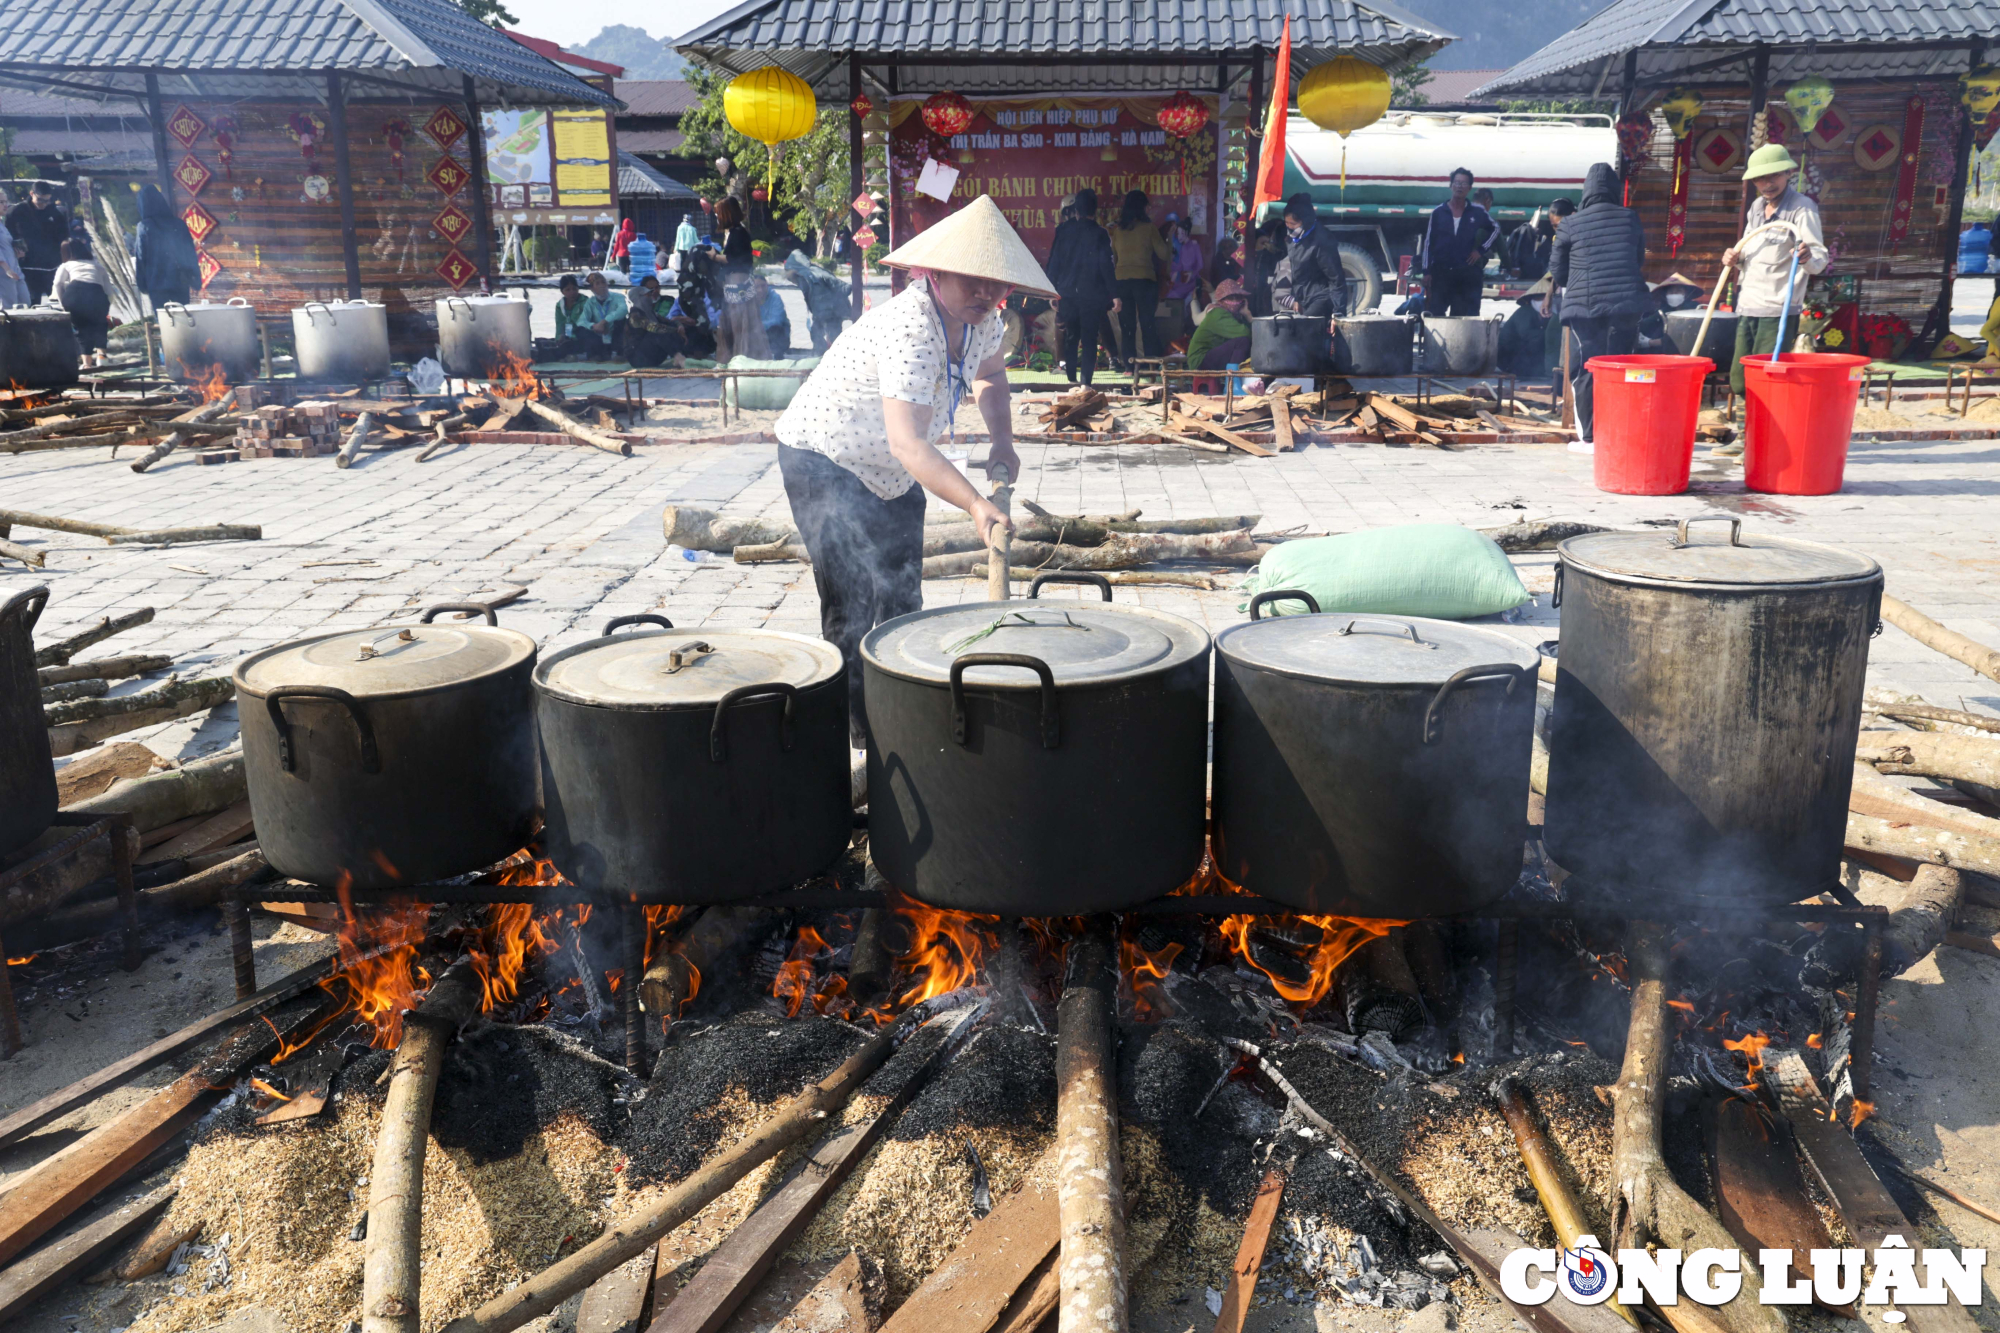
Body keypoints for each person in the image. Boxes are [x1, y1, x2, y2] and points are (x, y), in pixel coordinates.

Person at [772, 194, 1047, 756]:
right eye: (971, 281)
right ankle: (860, 736)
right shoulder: (912, 327)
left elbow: (991, 376)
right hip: (825, 457)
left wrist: (1002, 440)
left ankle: (902, 705)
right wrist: (974, 504)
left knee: (900, 592)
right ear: (935, 272)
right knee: (850, 603)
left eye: (995, 285)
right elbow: (908, 442)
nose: (985, 294)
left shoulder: (985, 322)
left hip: (893, 469)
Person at [1548, 163, 1652, 443]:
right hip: (1627, 305)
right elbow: (1638, 259)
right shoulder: (1630, 217)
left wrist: (1579, 282)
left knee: (1586, 367)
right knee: (1621, 367)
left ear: (1587, 191)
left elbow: (1557, 271)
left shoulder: (1570, 222)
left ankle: (1591, 437)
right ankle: (1618, 430)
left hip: (1585, 307)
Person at [1720, 144, 1828, 397]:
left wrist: (1806, 256)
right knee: (1740, 379)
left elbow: (1819, 258)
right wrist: (1734, 257)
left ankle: (1762, 433)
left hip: (1777, 309)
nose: (1767, 184)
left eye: (1774, 176)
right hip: (1748, 304)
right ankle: (1745, 431)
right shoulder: (1756, 207)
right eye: (1760, 178)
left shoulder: (1803, 208)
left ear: (1789, 173)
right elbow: (1748, 250)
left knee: (1765, 379)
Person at [1044, 188, 1119, 385]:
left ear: (1075, 211)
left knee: (1071, 335)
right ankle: (1086, 382)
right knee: (1089, 339)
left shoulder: (1063, 232)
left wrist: (1051, 291)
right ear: (1095, 212)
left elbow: (1054, 263)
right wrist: (1114, 294)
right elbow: (1106, 266)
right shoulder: (1100, 234)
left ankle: (1070, 378)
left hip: (1066, 293)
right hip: (1092, 296)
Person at [1420, 168, 1497, 318]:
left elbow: (1495, 229)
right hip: (1441, 272)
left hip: (1465, 273)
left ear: (1469, 188)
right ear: (1451, 186)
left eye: (1464, 183)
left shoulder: (1477, 211)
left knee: (1460, 316)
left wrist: (1480, 251)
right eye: (1456, 183)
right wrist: (1426, 272)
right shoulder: (1438, 213)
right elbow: (1428, 243)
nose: (1459, 186)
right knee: (1436, 315)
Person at [1109, 189, 1170, 365]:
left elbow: (1115, 257)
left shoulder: (1118, 231)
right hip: (1144, 281)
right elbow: (1164, 255)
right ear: (1143, 208)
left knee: (1127, 326)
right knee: (1147, 323)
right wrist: (1170, 239)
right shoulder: (1149, 228)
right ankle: (1150, 364)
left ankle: (1129, 365)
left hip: (1122, 281)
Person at [1282, 192, 1350, 320]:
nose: (1290, 228)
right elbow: (1297, 272)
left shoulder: (1323, 241)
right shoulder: (1293, 238)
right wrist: (1296, 298)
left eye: (1293, 224)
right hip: (1304, 297)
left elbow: (1336, 279)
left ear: (1305, 221)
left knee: (1306, 328)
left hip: (1323, 296)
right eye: (1287, 223)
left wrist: (1338, 313)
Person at [132, 184, 199, 311]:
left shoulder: (144, 226)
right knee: (183, 318)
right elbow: (189, 253)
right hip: (180, 282)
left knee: (165, 321)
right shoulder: (179, 224)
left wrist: (142, 284)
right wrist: (195, 279)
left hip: (156, 283)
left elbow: (141, 258)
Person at [8, 181, 70, 303]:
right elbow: (9, 235)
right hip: (28, 267)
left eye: (47, 201)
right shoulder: (16, 211)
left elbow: (64, 238)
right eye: (40, 200)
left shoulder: (56, 213)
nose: (44, 204)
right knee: (32, 304)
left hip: (52, 267)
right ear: (32, 194)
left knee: (60, 304)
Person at [52, 237, 112, 358]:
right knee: (100, 326)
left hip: (74, 295)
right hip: (96, 294)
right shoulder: (98, 266)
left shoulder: (66, 265)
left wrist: (63, 303)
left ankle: (87, 364)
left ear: (65, 252)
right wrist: (106, 305)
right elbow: (109, 291)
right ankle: (102, 358)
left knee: (81, 329)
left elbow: (58, 284)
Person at [1186, 278, 1252, 375]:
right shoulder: (1218, 313)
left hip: (1209, 356)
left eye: (1238, 297)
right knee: (1242, 342)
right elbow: (1246, 334)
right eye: (1232, 297)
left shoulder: (1230, 314)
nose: (1237, 301)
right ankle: (1233, 382)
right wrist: (1248, 315)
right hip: (1199, 360)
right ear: (1222, 300)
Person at [625, 277, 685, 369]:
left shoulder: (651, 313)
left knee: (670, 327)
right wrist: (676, 330)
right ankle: (678, 357)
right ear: (639, 298)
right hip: (638, 358)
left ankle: (682, 354)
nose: (650, 297)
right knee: (657, 332)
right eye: (648, 295)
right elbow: (654, 328)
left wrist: (679, 326)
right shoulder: (635, 316)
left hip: (654, 356)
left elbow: (670, 322)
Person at [1163, 219, 1204, 336]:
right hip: (1183, 282)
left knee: (1186, 306)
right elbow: (1180, 265)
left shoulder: (1194, 245)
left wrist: (1192, 273)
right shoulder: (1182, 248)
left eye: (1181, 233)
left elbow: (1200, 265)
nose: (1179, 236)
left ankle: (1185, 332)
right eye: (1178, 233)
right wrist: (1172, 270)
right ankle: (1175, 332)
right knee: (1171, 297)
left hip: (1191, 283)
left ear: (1187, 232)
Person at [579, 270, 627, 358]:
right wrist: (594, 326)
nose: (602, 286)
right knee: (581, 329)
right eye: (597, 283)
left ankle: (618, 352)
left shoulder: (618, 297)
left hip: (614, 335)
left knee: (621, 321)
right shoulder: (590, 302)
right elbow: (581, 321)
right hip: (599, 337)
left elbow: (623, 310)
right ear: (592, 288)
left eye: (603, 282)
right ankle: (596, 354)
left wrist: (604, 321)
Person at [548, 274, 592, 359]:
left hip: (582, 338)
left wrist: (571, 337)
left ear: (578, 289)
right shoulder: (560, 305)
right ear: (562, 291)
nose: (572, 292)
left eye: (574, 289)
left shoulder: (586, 302)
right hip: (568, 339)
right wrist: (559, 338)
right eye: (567, 290)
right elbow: (559, 324)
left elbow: (585, 323)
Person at [0, 191, 28, 308]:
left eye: (6, 202)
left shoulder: (2, 224)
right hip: (4, 273)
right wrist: (7, 269)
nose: (5, 205)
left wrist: (17, 254)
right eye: (1, 202)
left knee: (25, 304)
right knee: (9, 309)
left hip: (15, 270)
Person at [714, 198, 755, 277]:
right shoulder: (734, 231)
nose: (717, 218)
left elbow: (734, 259)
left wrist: (715, 256)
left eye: (718, 214)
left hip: (738, 281)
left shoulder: (738, 233)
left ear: (727, 215)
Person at [753, 274, 791, 355]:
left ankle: (777, 357)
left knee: (774, 329)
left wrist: (756, 327)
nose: (760, 290)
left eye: (763, 286)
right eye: (756, 287)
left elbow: (777, 320)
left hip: (777, 336)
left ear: (767, 285)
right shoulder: (748, 299)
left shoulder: (775, 297)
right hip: (756, 336)